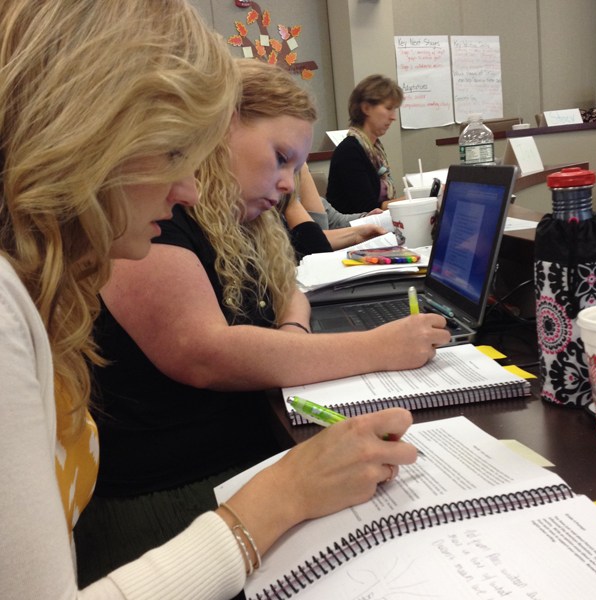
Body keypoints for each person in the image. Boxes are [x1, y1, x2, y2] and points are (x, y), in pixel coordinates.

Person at [0, 2, 420, 599]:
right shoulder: (11, 307)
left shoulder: (41, 280)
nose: (190, 186)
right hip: (167, 490)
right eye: (174, 151)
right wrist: (285, 493)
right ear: (87, 131)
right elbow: (204, 352)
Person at [74, 58, 450, 585]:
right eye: (279, 158)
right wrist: (379, 347)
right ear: (221, 126)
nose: (285, 185)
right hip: (169, 496)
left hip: (234, 460)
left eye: (294, 168)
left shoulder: (236, 221)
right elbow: (205, 353)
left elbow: (287, 292)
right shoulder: (150, 218)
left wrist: (290, 336)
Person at [326, 74, 404, 214]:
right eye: (388, 108)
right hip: (356, 230)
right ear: (366, 108)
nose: (393, 117)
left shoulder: (375, 149)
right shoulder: (349, 151)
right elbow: (368, 208)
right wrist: (413, 199)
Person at [282, 163, 387, 255]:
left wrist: (364, 219)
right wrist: (303, 171)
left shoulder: (302, 198)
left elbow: (335, 221)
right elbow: (317, 245)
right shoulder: (276, 206)